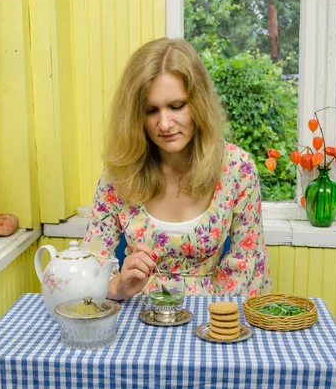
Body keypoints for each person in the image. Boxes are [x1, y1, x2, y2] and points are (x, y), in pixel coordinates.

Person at [82, 38, 271, 300]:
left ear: (199, 104)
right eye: (150, 110)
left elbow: (247, 269)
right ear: (136, 115)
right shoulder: (118, 175)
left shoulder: (237, 169)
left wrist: (214, 324)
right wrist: (118, 287)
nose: (165, 123)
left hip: (210, 318)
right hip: (138, 317)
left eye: (176, 106)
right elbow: (89, 268)